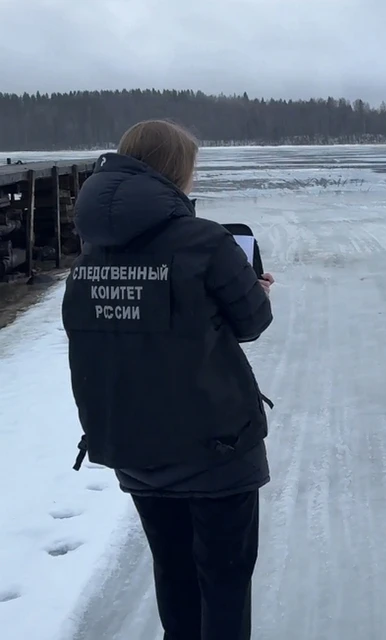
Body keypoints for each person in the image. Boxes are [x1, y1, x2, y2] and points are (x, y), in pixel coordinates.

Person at [61, 119, 275, 640]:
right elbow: (252, 323)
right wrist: (257, 290)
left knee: (174, 574)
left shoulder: (93, 249)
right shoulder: (203, 240)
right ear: (178, 171)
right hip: (217, 449)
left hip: (133, 444)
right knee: (223, 583)